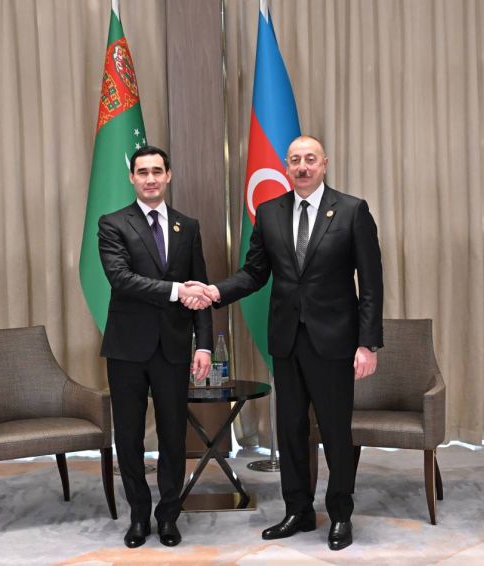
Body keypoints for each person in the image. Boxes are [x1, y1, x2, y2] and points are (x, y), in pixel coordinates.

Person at [188, 135, 383, 551]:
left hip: (334, 342)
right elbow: (254, 273)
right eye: (295, 160)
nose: (302, 166)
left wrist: (367, 344)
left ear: (324, 164)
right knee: (291, 429)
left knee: (335, 431)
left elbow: (371, 284)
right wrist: (216, 292)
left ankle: (341, 514)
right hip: (287, 341)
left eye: (310, 159)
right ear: (286, 166)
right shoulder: (269, 212)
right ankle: (298, 510)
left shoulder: (352, 211)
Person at [98, 145, 213, 548]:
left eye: (157, 171)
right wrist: (176, 290)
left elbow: (201, 289)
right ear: (132, 177)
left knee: (173, 437)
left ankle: (168, 516)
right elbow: (121, 279)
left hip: (174, 349)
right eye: (142, 172)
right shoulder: (113, 224)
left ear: (169, 175)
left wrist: (204, 346)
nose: (150, 178)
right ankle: (138, 516)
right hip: (127, 349)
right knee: (129, 437)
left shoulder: (188, 226)